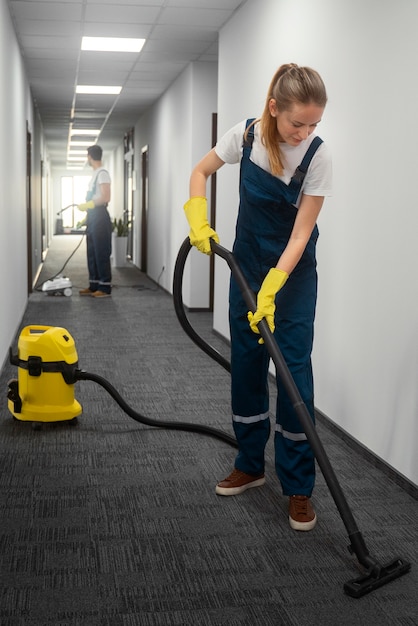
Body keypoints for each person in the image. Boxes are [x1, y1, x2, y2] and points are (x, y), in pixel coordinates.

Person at [183, 63, 332, 531]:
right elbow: (200, 172)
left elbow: (301, 233)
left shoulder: (318, 158)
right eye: (297, 123)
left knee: (292, 374)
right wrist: (197, 218)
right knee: (247, 362)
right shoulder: (245, 137)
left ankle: (299, 487)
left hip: (292, 277)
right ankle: (250, 463)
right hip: (245, 266)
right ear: (273, 109)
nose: (305, 133)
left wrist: (273, 287)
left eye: (314, 125)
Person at [77, 144, 113, 298]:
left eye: (87, 156)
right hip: (93, 217)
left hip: (100, 217)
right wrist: (86, 217)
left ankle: (104, 287)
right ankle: (94, 284)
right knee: (91, 251)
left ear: (90, 157)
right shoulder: (95, 174)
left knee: (101, 251)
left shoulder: (103, 173)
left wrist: (89, 204)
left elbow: (106, 197)